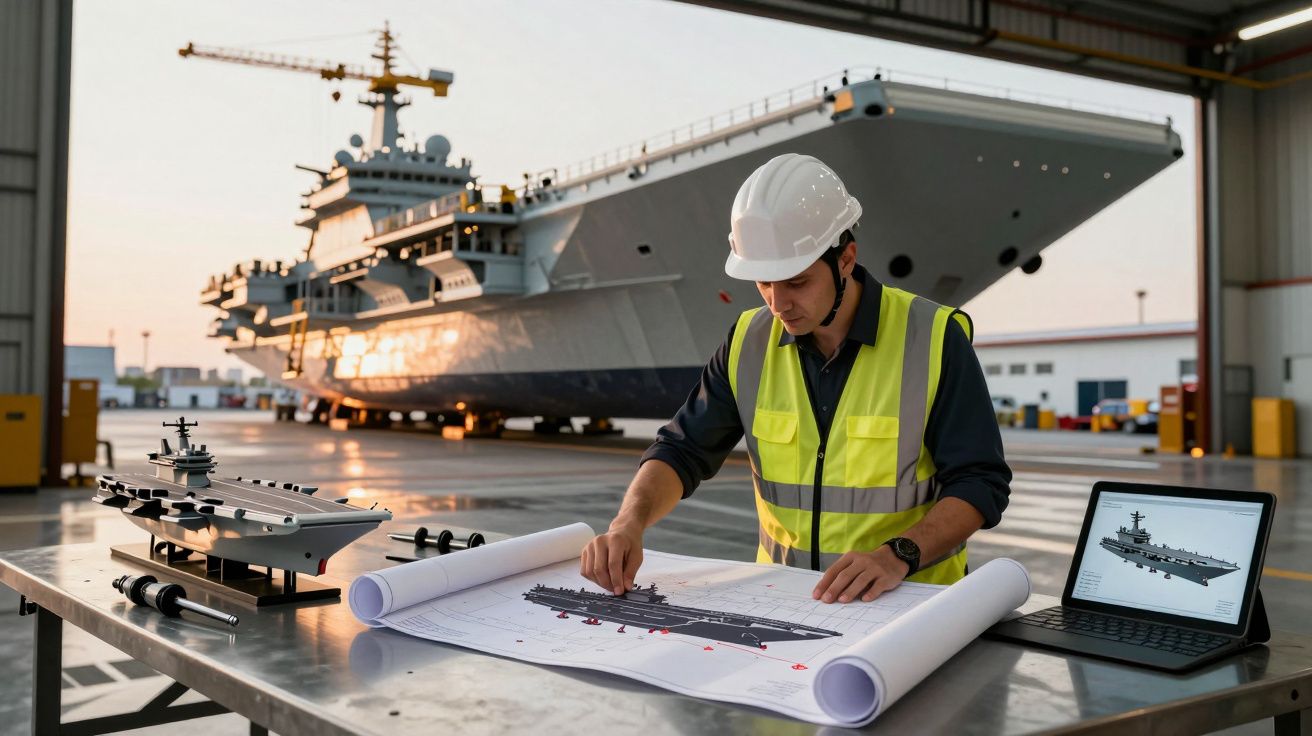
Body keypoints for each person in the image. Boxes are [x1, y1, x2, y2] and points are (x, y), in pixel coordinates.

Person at [580, 153, 1011, 604]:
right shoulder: (748, 342)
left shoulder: (934, 338)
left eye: (796, 282)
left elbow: (981, 482)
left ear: (846, 259)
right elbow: (682, 450)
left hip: (909, 607)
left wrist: (898, 554)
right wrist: (628, 524)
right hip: (786, 604)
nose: (777, 303)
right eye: (764, 283)